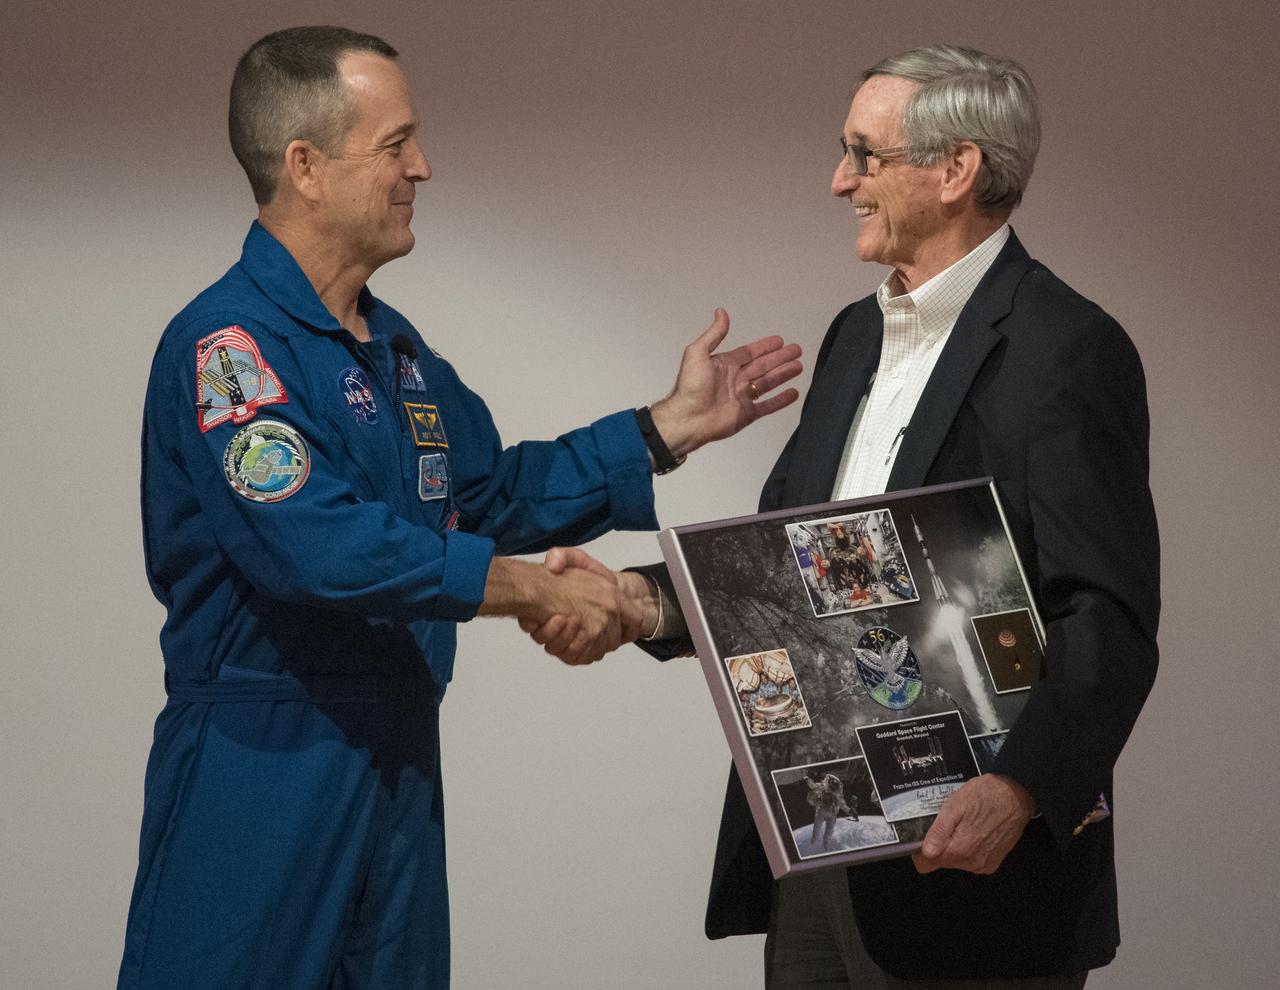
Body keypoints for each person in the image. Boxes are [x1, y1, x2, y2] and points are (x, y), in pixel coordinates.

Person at [117, 26, 803, 990]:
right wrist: (526, 590)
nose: (422, 168)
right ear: (305, 166)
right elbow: (319, 543)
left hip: (397, 762)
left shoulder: (395, 352)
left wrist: (662, 429)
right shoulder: (228, 350)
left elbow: (482, 494)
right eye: (395, 144)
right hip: (266, 764)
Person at [525, 44, 1160, 988]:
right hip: (822, 850)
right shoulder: (857, 335)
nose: (839, 181)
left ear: (956, 171)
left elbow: (1106, 616)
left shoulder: (1069, 350)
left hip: (974, 873)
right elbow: (785, 567)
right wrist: (637, 601)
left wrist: (1021, 790)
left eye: (865, 154)